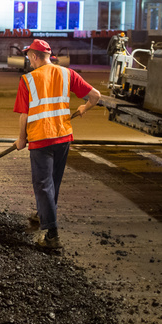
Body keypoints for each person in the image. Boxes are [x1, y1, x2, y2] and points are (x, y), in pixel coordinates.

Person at [13, 39, 100, 249]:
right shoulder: (67, 74)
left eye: (29, 57)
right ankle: (44, 213)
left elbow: (24, 115)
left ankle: (51, 235)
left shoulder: (28, 79)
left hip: (40, 139)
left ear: (35, 56)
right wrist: (84, 108)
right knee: (52, 182)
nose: (29, 62)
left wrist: (21, 139)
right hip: (62, 138)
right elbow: (96, 96)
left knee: (43, 184)